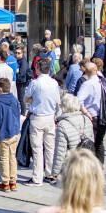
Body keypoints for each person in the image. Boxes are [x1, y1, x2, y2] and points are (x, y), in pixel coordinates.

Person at [25, 58, 61, 186]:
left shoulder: (35, 83)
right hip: (50, 116)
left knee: (37, 149)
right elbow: (57, 100)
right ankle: (50, 174)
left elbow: (26, 98)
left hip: (38, 116)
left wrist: (32, 100)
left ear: (38, 69)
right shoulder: (54, 83)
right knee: (50, 147)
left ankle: (37, 178)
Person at [0, 78, 21, 192]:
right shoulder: (14, 100)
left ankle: (5, 182)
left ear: (1, 89)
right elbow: (18, 114)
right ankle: (13, 181)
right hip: (13, 132)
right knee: (12, 156)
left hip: (3, 134)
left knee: (3, 158)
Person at [53, 93, 89, 177]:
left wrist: (55, 171)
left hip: (72, 162)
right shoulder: (86, 119)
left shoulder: (62, 125)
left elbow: (60, 151)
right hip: (86, 160)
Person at [15, 47, 31, 117]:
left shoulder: (23, 61)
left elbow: (22, 72)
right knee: (19, 97)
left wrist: (17, 73)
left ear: (22, 54)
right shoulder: (17, 60)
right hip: (18, 80)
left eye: (19, 53)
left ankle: (23, 112)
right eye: (16, 53)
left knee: (21, 98)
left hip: (22, 81)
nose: (17, 54)